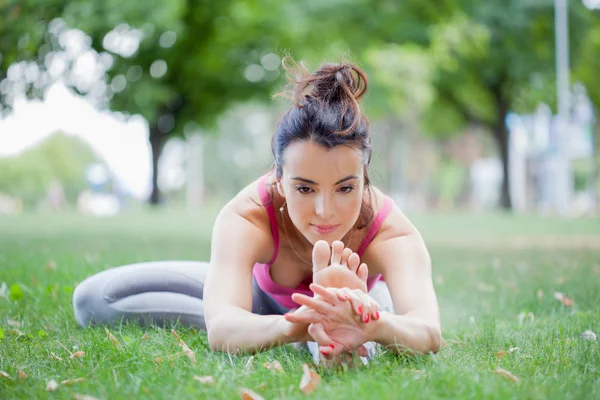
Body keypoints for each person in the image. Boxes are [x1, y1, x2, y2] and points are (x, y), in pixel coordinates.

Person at [72, 59, 442, 365]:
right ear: (278, 180)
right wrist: (295, 326)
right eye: (304, 188)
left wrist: (372, 324)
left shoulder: (390, 231)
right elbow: (220, 330)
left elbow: (427, 329)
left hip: (365, 306)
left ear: (364, 180)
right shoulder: (248, 215)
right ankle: (318, 333)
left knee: (365, 317)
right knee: (96, 298)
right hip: (260, 304)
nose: (324, 211)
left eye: (345, 188)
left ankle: (350, 335)